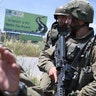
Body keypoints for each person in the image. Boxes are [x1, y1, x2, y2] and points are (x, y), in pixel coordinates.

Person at [38, 0, 96, 96]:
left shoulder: (93, 47)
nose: (66, 21)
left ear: (80, 19)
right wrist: (51, 67)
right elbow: (44, 55)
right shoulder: (66, 40)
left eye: (69, 18)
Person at [38, 5, 70, 96]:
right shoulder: (52, 32)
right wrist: (49, 66)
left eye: (63, 17)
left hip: (67, 65)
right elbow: (46, 49)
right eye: (59, 17)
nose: (61, 20)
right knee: (42, 89)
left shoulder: (72, 31)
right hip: (52, 63)